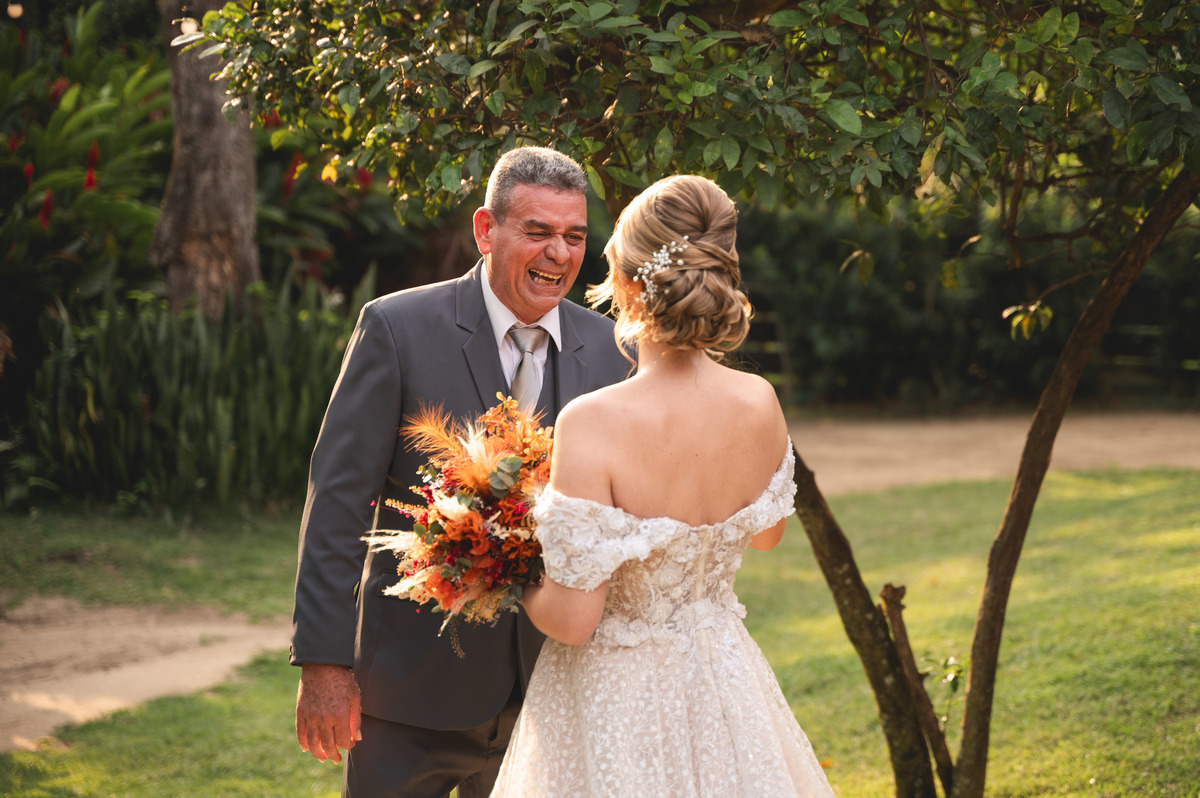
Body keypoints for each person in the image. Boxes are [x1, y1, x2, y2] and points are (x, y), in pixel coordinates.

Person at [291, 146, 631, 798]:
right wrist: (325, 666)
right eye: (538, 232)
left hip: (552, 693)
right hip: (409, 690)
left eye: (574, 236)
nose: (559, 253)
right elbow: (337, 504)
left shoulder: (616, 355)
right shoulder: (396, 328)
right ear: (486, 230)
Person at [490, 175, 836, 796]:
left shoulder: (593, 423)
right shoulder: (759, 401)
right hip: (726, 682)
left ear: (625, 285)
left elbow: (573, 619)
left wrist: (502, 562)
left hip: (616, 700)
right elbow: (766, 536)